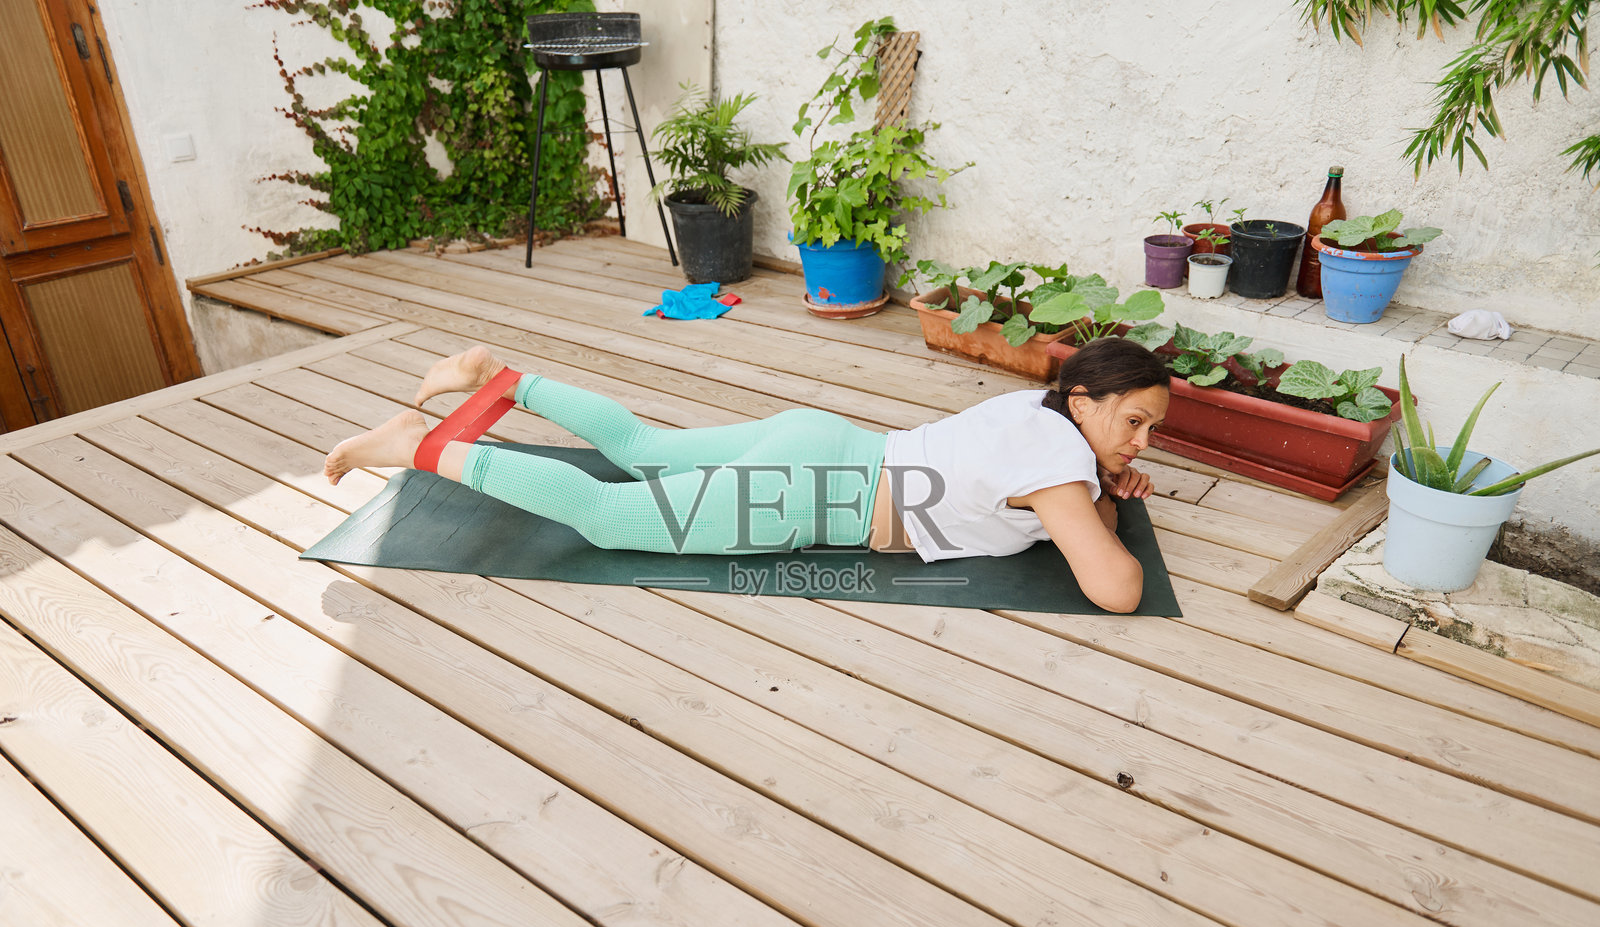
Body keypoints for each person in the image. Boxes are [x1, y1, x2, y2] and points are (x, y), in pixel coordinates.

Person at [324, 336, 1170, 612]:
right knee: (607, 516)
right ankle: (415, 445)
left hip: (830, 442)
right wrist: (1096, 506)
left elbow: (1036, 481)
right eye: (1133, 422)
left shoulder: (1040, 415)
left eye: (1150, 432)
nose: (1140, 441)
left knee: (646, 448)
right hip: (815, 496)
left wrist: (1104, 479)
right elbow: (1115, 588)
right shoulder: (1063, 465)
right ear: (1087, 401)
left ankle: (503, 378)